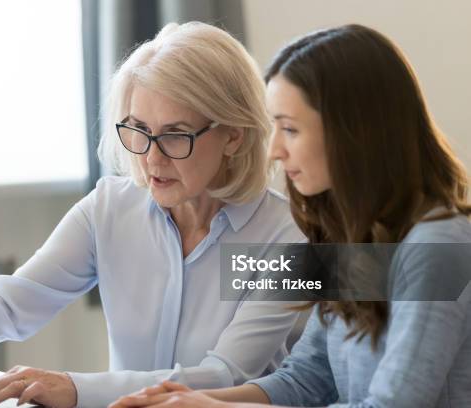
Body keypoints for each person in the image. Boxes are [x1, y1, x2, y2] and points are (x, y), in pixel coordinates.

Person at [0, 22, 305, 408]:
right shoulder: (110, 208)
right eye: (139, 129)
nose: (151, 158)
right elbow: (12, 304)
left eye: (175, 134)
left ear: (233, 135)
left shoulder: (291, 237)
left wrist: (76, 389)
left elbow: (226, 375)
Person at [111, 24, 471, 408]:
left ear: (352, 134)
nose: (275, 151)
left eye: (290, 129)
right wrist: (192, 399)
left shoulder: (438, 246)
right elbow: (306, 379)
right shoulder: (351, 242)